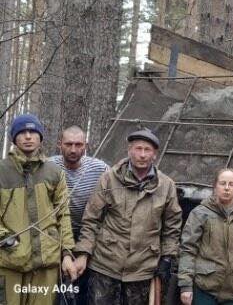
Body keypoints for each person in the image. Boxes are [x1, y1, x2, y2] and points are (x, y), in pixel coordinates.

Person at [74, 128, 182, 305]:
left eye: (147, 150)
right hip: (105, 265)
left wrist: (168, 258)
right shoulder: (109, 179)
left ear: (154, 154)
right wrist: (83, 253)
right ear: (129, 150)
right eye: (138, 149)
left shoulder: (166, 186)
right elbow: (91, 219)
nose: (142, 155)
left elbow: (172, 227)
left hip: (143, 269)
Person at [0, 115, 77, 305]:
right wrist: (5, 239)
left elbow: (63, 214)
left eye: (33, 132)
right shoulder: (2, 171)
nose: (28, 137)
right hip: (10, 262)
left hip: (46, 263)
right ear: (13, 138)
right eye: (22, 132)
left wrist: (67, 254)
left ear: (40, 138)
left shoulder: (54, 172)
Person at [178, 168, 233, 305]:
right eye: (222, 183)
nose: (226, 188)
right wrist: (185, 285)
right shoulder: (200, 213)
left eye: (231, 184)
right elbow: (188, 250)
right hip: (206, 288)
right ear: (215, 186)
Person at [51, 126, 109, 305]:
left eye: (78, 144)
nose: (73, 149)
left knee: (84, 290)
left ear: (86, 146)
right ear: (59, 144)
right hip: (55, 234)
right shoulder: (48, 167)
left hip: (89, 234)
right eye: (68, 144)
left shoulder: (100, 169)